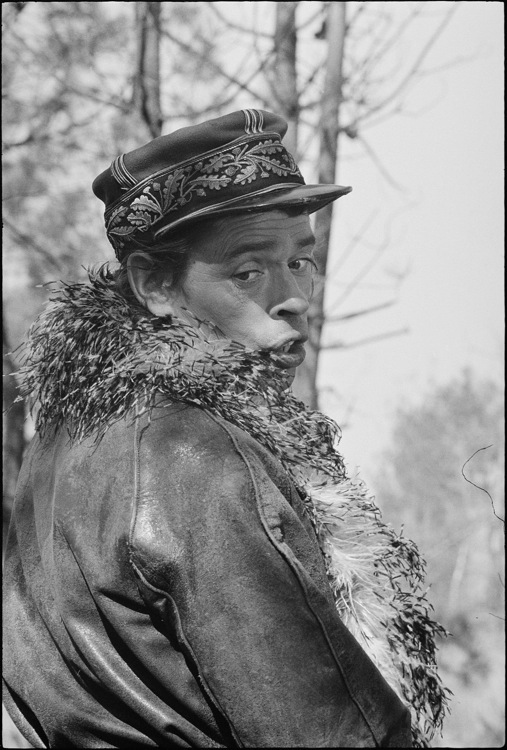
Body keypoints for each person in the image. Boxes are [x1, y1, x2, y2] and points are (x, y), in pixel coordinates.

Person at [3, 109, 448, 748]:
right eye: (248, 271)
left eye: (302, 261)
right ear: (156, 284)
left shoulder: (68, 437)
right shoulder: (197, 458)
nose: (294, 295)